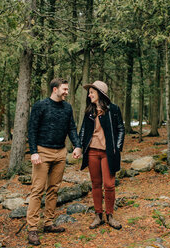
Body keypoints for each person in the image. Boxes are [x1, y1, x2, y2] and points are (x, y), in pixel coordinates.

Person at [27, 78, 82, 246]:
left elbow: (71, 128)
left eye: (67, 89)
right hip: (42, 152)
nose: (67, 92)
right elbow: (32, 129)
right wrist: (34, 152)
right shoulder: (40, 105)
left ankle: (48, 223)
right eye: (64, 89)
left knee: (54, 189)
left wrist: (77, 145)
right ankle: (32, 229)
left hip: (60, 152)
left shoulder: (67, 108)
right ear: (55, 89)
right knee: (37, 190)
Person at [79, 80, 125, 230]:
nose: (89, 94)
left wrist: (117, 148)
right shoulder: (89, 111)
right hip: (92, 152)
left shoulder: (114, 110)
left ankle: (110, 215)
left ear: (100, 93)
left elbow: (121, 129)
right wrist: (79, 147)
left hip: (108, 153)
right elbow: (84, 131)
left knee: (109, 185)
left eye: (92, 92)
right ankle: (98, 215)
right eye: (89, 92)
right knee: (96, 184)